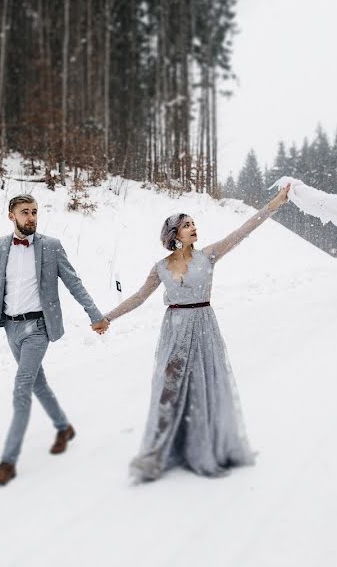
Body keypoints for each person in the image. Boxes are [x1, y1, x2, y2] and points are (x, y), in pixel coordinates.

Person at [101, 184, 291, 482]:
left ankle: (202, 448)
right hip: (174, 329)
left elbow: (243, 231)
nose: (193, 228)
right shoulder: (161, 267)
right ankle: (155, 454)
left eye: (194, 224)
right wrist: (108, 317)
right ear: (174, 234)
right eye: (186, 225)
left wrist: (274, 204)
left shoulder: (209, 256)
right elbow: (139, 297)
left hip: (203, 326)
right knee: (169, 389)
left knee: (203, 386)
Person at [0, 194, 110, 486]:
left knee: (22, 388)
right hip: (11, 328)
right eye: (25, 212)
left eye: (35, 212)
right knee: (39, 383)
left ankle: (7, 462)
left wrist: (95, 315)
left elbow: (74, 283)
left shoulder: (50, 246)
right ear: (11, 215)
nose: (32, 217)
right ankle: (64, 428)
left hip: (38, 328)